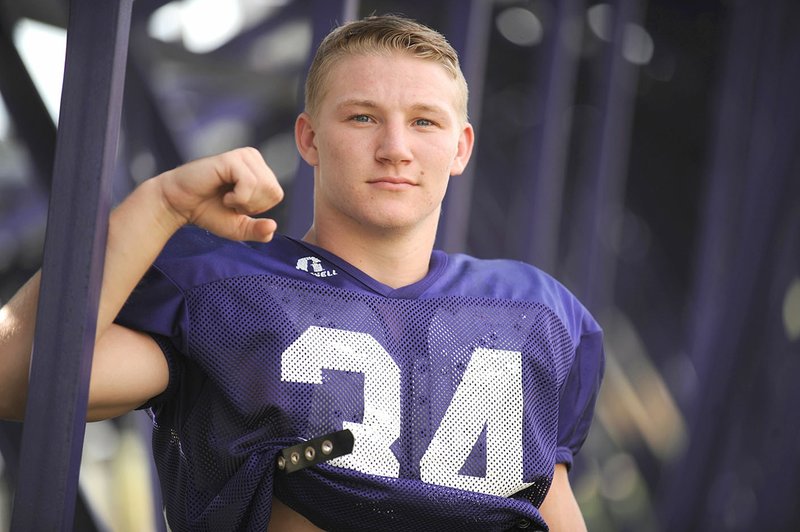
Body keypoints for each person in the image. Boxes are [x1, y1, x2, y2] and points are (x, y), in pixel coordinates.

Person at [0, 14, 604, 532]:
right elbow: (16, 377)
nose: (396, 147)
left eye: (424, 121)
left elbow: (547, 502)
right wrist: (161, 206)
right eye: (363, 118)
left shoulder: (534, 311)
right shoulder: (228, 290)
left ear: (461, 147)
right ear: (309, 139)